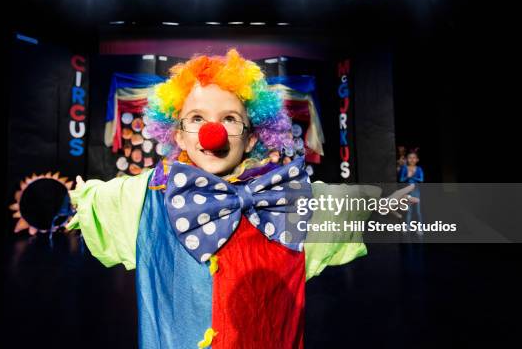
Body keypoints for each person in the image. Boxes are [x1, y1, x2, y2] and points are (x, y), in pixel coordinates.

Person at [66, 49, 408, 348]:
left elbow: (347, 205)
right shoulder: (144, 197)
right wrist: (79, 199)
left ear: (251, 137)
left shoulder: (285, 199)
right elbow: (98, 201)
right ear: (179, 135)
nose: (210, 132)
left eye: (229, 119)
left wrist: (406, 204)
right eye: (196, 118)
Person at [398, 148, 424, 233]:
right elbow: (401, 179)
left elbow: (421, 179)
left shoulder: (419, 168)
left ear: (417, 159)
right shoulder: (405, 168)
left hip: (416, 191)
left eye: (414, 158)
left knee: (418, 211)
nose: (412, 159)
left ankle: (420, 227)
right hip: (408, 192)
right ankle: (407, 226)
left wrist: (412, 176)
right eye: (410, 157)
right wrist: (408, 176)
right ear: (407, 159)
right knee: (408, 210)